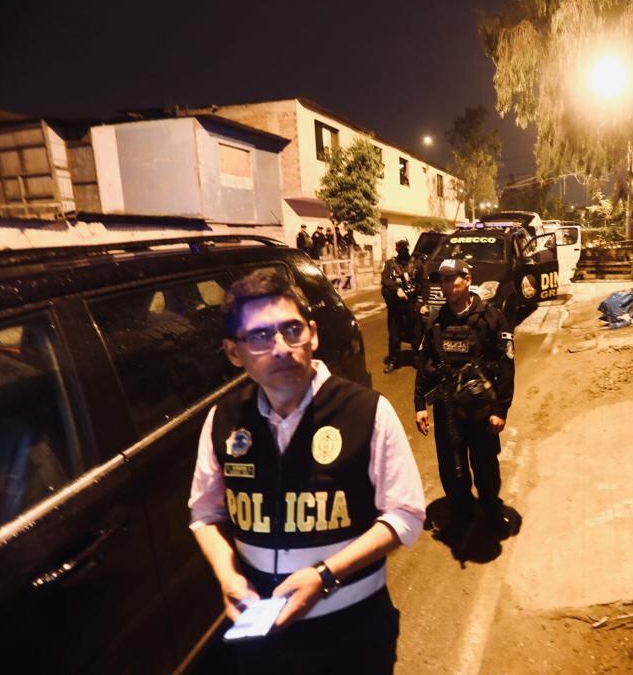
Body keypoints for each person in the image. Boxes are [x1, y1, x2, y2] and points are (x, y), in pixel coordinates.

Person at [188, 269, 425, 673]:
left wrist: (325, 575)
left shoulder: (366, 411)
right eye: (259, 336)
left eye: (291, 329)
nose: (280, 347)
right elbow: (205, 514)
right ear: (234, 352)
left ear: (312, 334)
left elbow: (405, 516)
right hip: (263, 637)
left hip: (353, 634)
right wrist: (228, 576)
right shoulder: (224, 419)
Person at [414, 259, 516, 536]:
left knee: (484, 464)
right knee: (450, 465)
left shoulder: (491, 317)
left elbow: (506, 365)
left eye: (450, 279)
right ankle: (461, 513)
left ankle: (491, 511)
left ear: (467, 279)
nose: (445, 286)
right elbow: (424, 362)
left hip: (481, 408)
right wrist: (420, 403)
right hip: (447, 408)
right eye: (441, 280)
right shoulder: (436, 320)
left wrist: (500, 409)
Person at [380, 238, 418, 373]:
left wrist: (423, 302)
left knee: (415, 333)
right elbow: (385, 280)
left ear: (408, 247)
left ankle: (417, 358)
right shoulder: (390, 264)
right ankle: (394, 360)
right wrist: (397, 289)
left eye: (404, 247)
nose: (402, 250)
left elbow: (423, 282)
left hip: (411, 304)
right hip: (396, 306)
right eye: (399, 248)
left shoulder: (416, 263)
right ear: (396, 249)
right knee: (394, 335)